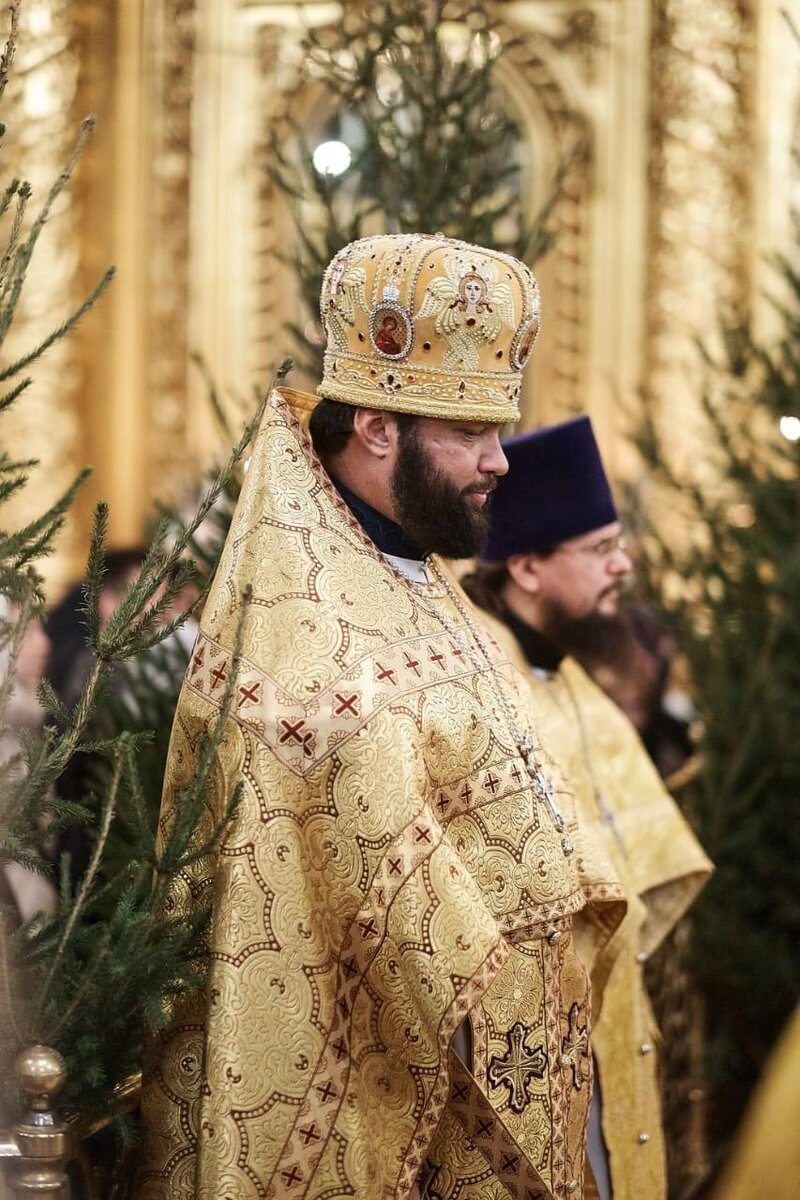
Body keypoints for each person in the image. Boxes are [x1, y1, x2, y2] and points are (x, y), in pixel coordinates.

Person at [137, 234, 625, 1200]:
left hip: (508, 1068)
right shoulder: (307, 630)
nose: (498, 462)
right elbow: (355, 892)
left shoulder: (415, 570)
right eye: (468, 433)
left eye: (498, 430)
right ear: (374, 427)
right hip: (408, 1103)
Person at [461, 417, 712, 1200]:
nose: (623, 565)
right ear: (528, 567)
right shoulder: (475, 678)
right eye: (601, 550)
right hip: (515, 1042)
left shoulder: (569, 679)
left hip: (602, 1022)